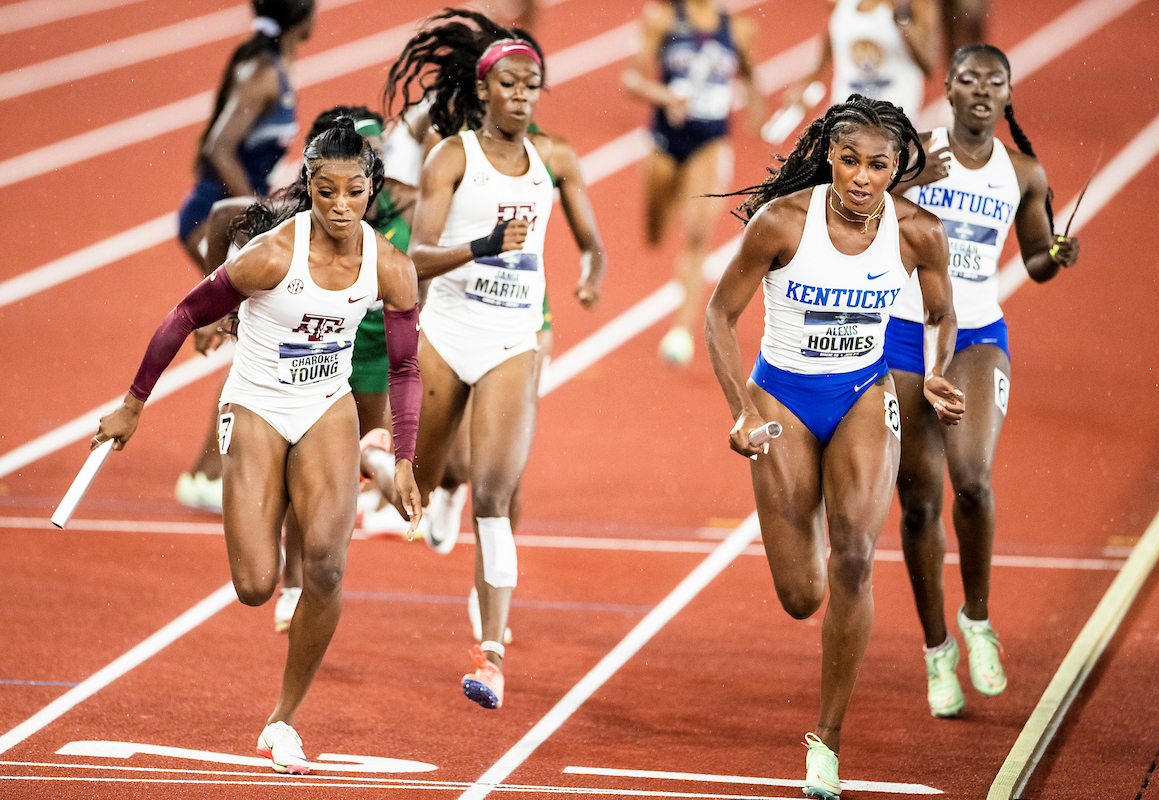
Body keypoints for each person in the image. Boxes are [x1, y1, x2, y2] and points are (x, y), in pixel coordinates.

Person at [92, 119, 423, 773]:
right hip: (257, 405)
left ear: (371, 192)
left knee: (327, 567)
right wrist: (133, 404)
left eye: (353, 192)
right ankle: (294, 498)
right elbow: (185, 313)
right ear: (309, 185)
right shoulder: (271, 253)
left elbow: (408, 370)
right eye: (325, 190)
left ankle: (282, 722)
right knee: (253, 585)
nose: (338, 205)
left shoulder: (390, 266)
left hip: (326, 407)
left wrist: (408, 456)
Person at [704, 95, 964, 798]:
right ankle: (806, 503)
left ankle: (829, 740)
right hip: (782, 398)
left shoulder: (917, 232)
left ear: (896, 169)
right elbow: (719, 315)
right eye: (849, 160)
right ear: (829, 156)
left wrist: (937, 370)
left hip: (862, 396)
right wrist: (738, 411)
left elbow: (942, 313)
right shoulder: (782, 223)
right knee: (800, 596)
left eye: (878, 165)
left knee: (854, 555)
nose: (860, 177)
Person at [386, 8, 583, 710]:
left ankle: (490, 654)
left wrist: (592, 263)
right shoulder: (451, 157)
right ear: (485, 89)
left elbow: (582, 231)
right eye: (511, 82)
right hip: (446, 333)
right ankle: (386, 475)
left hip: (511, 341)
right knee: (417, 480)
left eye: (534, 83)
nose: (524, 94)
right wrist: (487, 245)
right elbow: (417, 261)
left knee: (495, 500)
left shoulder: (549, 161)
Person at [886, 43, 1080, 718]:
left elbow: (1033, 257)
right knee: (916, 505)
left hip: (975, 335)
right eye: (966, 78)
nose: (977, 89)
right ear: (948, 87)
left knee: (970, 479)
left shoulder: (1023, 172)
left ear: (1006, 94)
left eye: (991, 81)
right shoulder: (912, 150)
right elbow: (858, 214)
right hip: (905, 332)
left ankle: (977, 619)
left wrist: (1056, 255)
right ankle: (937, 651)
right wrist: (906, 182)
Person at [174, 0, 316, 512]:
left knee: (254, 336)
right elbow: (217, 145)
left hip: (227, 219)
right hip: (215, 221)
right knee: (255, 338)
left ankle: (210, 471)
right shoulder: (263, 72)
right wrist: (254, 213)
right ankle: (208, 474)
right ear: (303, 18)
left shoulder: (269, 64)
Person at [622, 0, 762, 367]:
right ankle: (671, 201)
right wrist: (664, 96)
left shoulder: (738, 29)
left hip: (710, 142)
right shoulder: (664, 20)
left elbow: (748, 75)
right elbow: (632, 78)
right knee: (654, 232)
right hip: (666, 140)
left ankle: (681, 328)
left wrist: (757, 109)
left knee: (698, 231)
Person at [785, 0, 937, 127]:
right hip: (846, 108)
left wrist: (902, 17)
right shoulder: (839, 2)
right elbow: (832, 35)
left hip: (893, 116)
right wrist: (811, 79)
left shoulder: (914, 3)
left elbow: (928, 65)